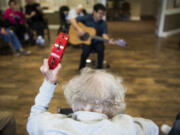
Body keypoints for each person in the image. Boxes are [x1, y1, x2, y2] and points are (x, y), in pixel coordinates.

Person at [27, 58, 159, 135]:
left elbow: (34, 117)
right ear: (113, 109)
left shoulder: (51, 126)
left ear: (73, 105)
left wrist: (49, 82)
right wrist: (119, 116)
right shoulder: (126, 128)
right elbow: (153, 128)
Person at [70, 3, 122, 70]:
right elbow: (72, 20)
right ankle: (81, 69)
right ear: (94, 12)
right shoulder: (87, 17)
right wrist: (79, 29)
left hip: (97, 42)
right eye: (100, 13)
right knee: (85, 51)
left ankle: (99, 69)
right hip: (86, 41)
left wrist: (109, 40)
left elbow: (104, 35)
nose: (101, 15)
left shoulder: (103, 23)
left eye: (103, 14)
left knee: (101, 49)